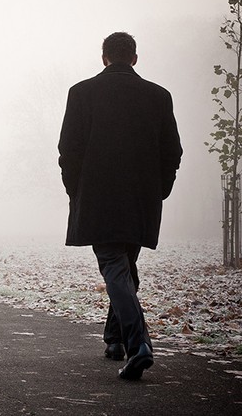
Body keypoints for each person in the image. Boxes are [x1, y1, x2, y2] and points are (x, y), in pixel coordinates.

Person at [58, 32, 182, 381]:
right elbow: (172, 151)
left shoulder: (81, 93)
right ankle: (114, 340)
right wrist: (158, 191)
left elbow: (69, 151)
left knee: (115, 267)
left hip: (98, 197)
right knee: (126, 268)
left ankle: (138, 343)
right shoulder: (159, 96)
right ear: (135, 58)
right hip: (141, 200)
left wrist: (76, 192)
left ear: (103, 58)